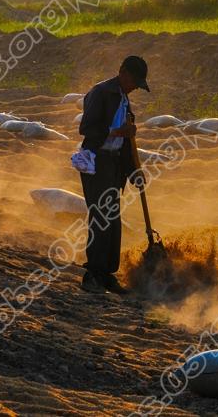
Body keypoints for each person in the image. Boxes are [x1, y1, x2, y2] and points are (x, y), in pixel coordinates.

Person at [77, 55, 149, 294]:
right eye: (134, 82)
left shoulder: (124, 100)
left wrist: (134, 172)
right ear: (123, 72)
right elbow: (86, 129)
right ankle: (93, 274)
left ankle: (107, 273)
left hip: (113, 164)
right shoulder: (100, 93)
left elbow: (127, 144)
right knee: (100, 216)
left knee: (113, 218)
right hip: (96, 161)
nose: (134, 88)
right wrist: (118, 131)